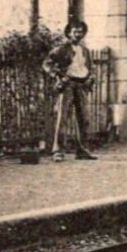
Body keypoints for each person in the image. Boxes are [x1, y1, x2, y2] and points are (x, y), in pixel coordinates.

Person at [41, 20, 98, 160]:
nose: (78, 34)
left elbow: (90, 67)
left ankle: (82, 150)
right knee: (63, 117)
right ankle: (58, 151)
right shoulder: (62, 49)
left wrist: (91, 77)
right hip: (68, 85)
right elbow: (47, 63)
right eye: (75, 32)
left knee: (84, 118)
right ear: (69, 33)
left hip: (82, 85)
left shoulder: (84, 50)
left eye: (81, 32)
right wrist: (58, 76)